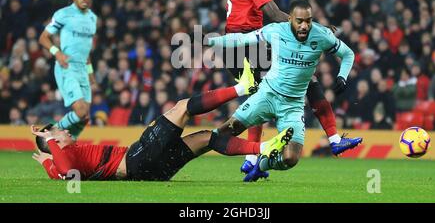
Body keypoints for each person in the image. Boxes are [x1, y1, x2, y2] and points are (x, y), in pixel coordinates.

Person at [223, 0, 357, 175]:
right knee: (307, 79)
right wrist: (317, 28)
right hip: (245, 45)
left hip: (238, 47)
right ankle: (334, 139)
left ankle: (251, 160)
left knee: (262, 93)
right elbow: (275, 15)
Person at [31, 59, 292, 181]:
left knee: (207, 138)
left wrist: (46, 161)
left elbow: (59, 172)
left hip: (149, 172)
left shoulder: (64, 161)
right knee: (182, 108)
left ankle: (264, 149)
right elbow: (66, 171)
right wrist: (51, 143)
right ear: (54, 139)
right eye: (58, 130)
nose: (63, 130)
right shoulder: (66, 155)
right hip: (136, 159)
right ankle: (243, 87)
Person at [209, 0, 362, 182]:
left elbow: (348, 54)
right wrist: (209, 40)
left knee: (290, 158)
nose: (304, 26)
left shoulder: (322, 36)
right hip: (267, 95)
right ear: (289, 19)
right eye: (299, 21)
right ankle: (189, 150)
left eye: (308, 20)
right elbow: (240, 39)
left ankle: (261, 165)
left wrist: (342, 76)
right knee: (225, 131)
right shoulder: (276, 30)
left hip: (293, 106)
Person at [38, 0, 97, 139]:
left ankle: (68, 147)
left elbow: (87, 50)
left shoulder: (92, 18)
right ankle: (51, 134)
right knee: (80, 111)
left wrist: (90, 73)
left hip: (83, 70)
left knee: (84, 117)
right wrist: (57, 52)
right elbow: (43, 38)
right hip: (67, 67)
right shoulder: (63, 14)